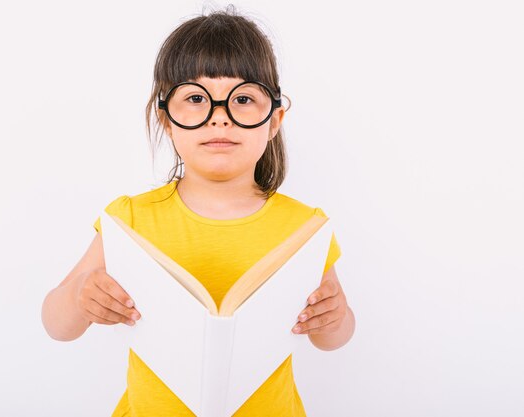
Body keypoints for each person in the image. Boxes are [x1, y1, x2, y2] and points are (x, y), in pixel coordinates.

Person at [41, 6, 355, 417]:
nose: (220, 119)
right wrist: (82, 300)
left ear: (274, 120)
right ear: (167, 118)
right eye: (195, 98)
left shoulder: (304, 226)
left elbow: (335, 337)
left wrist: (333, 317)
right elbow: (55, 323)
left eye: (243, 99)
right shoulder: (130, 220)